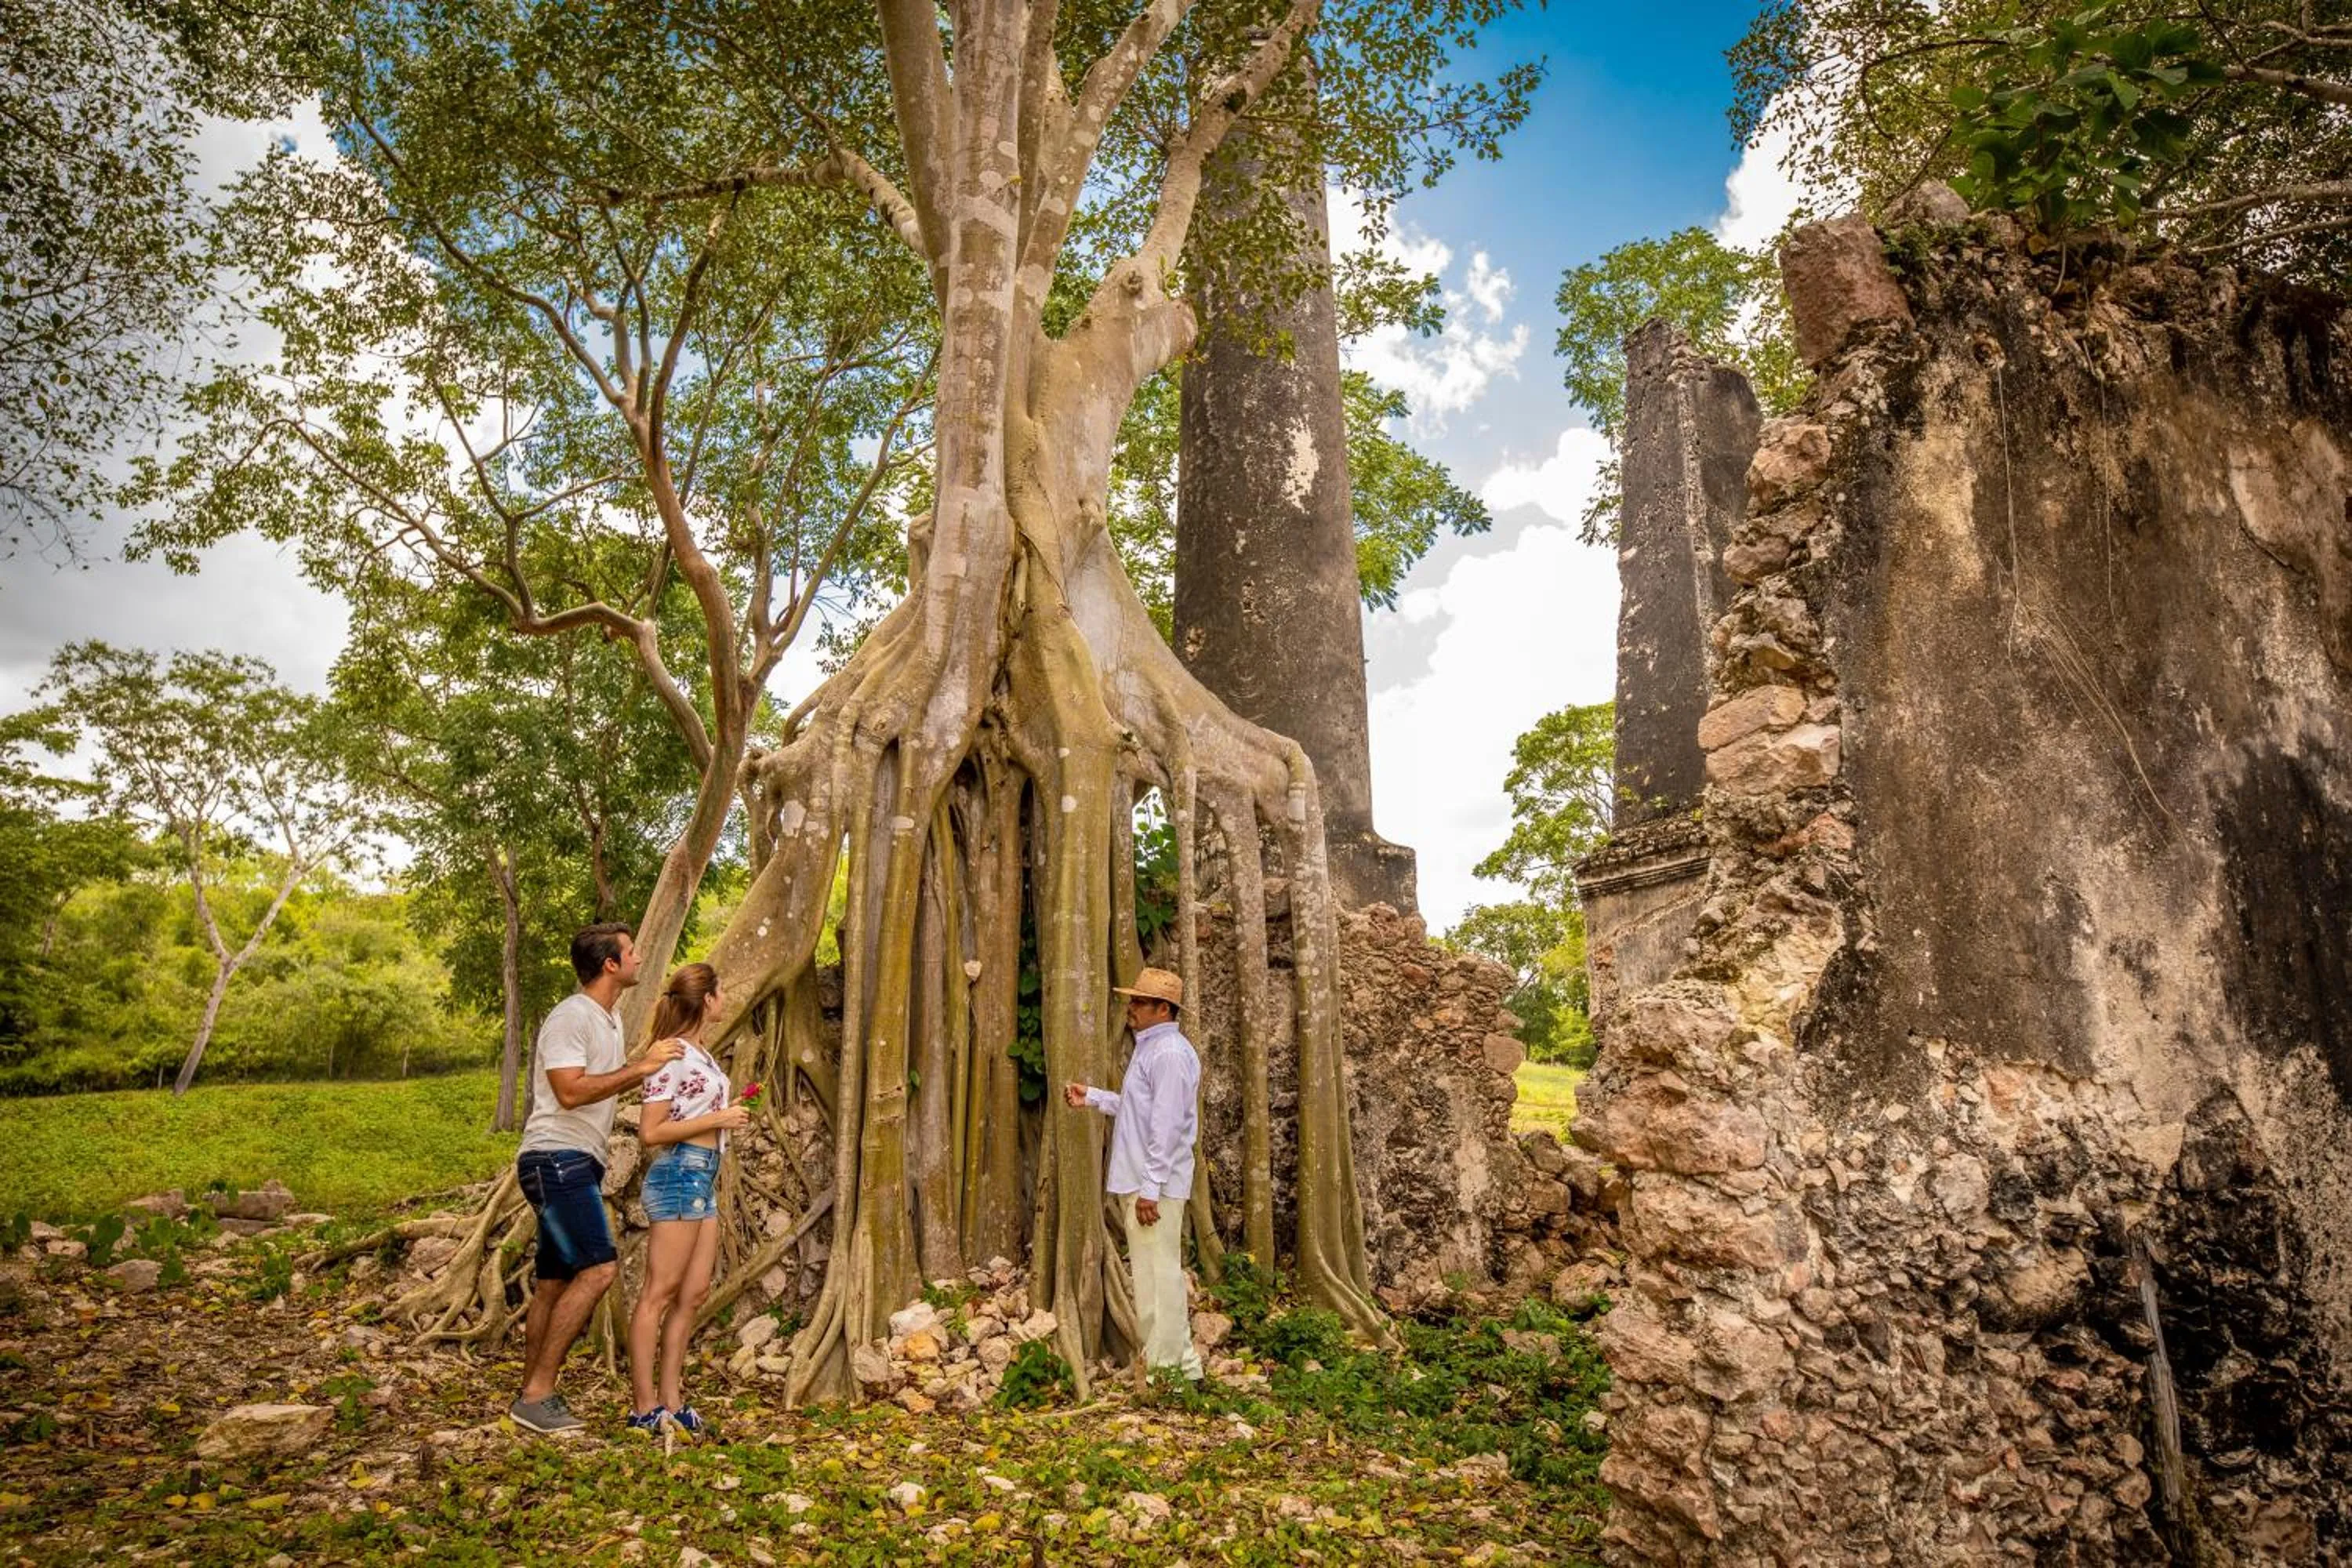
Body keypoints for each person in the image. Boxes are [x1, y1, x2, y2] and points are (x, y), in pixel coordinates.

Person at [508, 923, 681, 1435]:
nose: (639, 956)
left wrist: (647, 1063)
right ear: (610, 964)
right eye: (631, 951)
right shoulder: (572, 1016)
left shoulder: (608, 1022)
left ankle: (528, 1392)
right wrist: (642, 1069)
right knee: (600, 1270)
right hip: (555, 1158)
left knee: (552, 1282)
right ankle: (539, 1394)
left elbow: (608, 1078)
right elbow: (570, 1091)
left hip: (575, 1160)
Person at [627, 963, 750, 1438]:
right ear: (708, 1000)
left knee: (694, 1292)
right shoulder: (672, 1055)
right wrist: (718, 1119)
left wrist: (721, 1119)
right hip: (678, 1172)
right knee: (657, 1294)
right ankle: (644, 1406)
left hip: (703, 1179)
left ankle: (672, 1401)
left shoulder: (702, 1054)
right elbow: (651, 1131)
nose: (725, 1000)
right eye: (721, 992)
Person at [1063, 966, 1203, 1382]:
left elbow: (1166, 1127)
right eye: (1132, 1000)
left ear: (1164, 1009)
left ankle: (1171, 1372)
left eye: (1139, 1002)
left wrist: (1150, 1189)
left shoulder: (1170, 1055)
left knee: (1159, 1280)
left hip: (1153, 1186)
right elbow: (1139, 1110)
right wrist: (1093, 1098)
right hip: (1146, 1182)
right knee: (1153, 1276)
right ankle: (1174, 1367)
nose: (1131, 1008)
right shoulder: (1152, 1049)